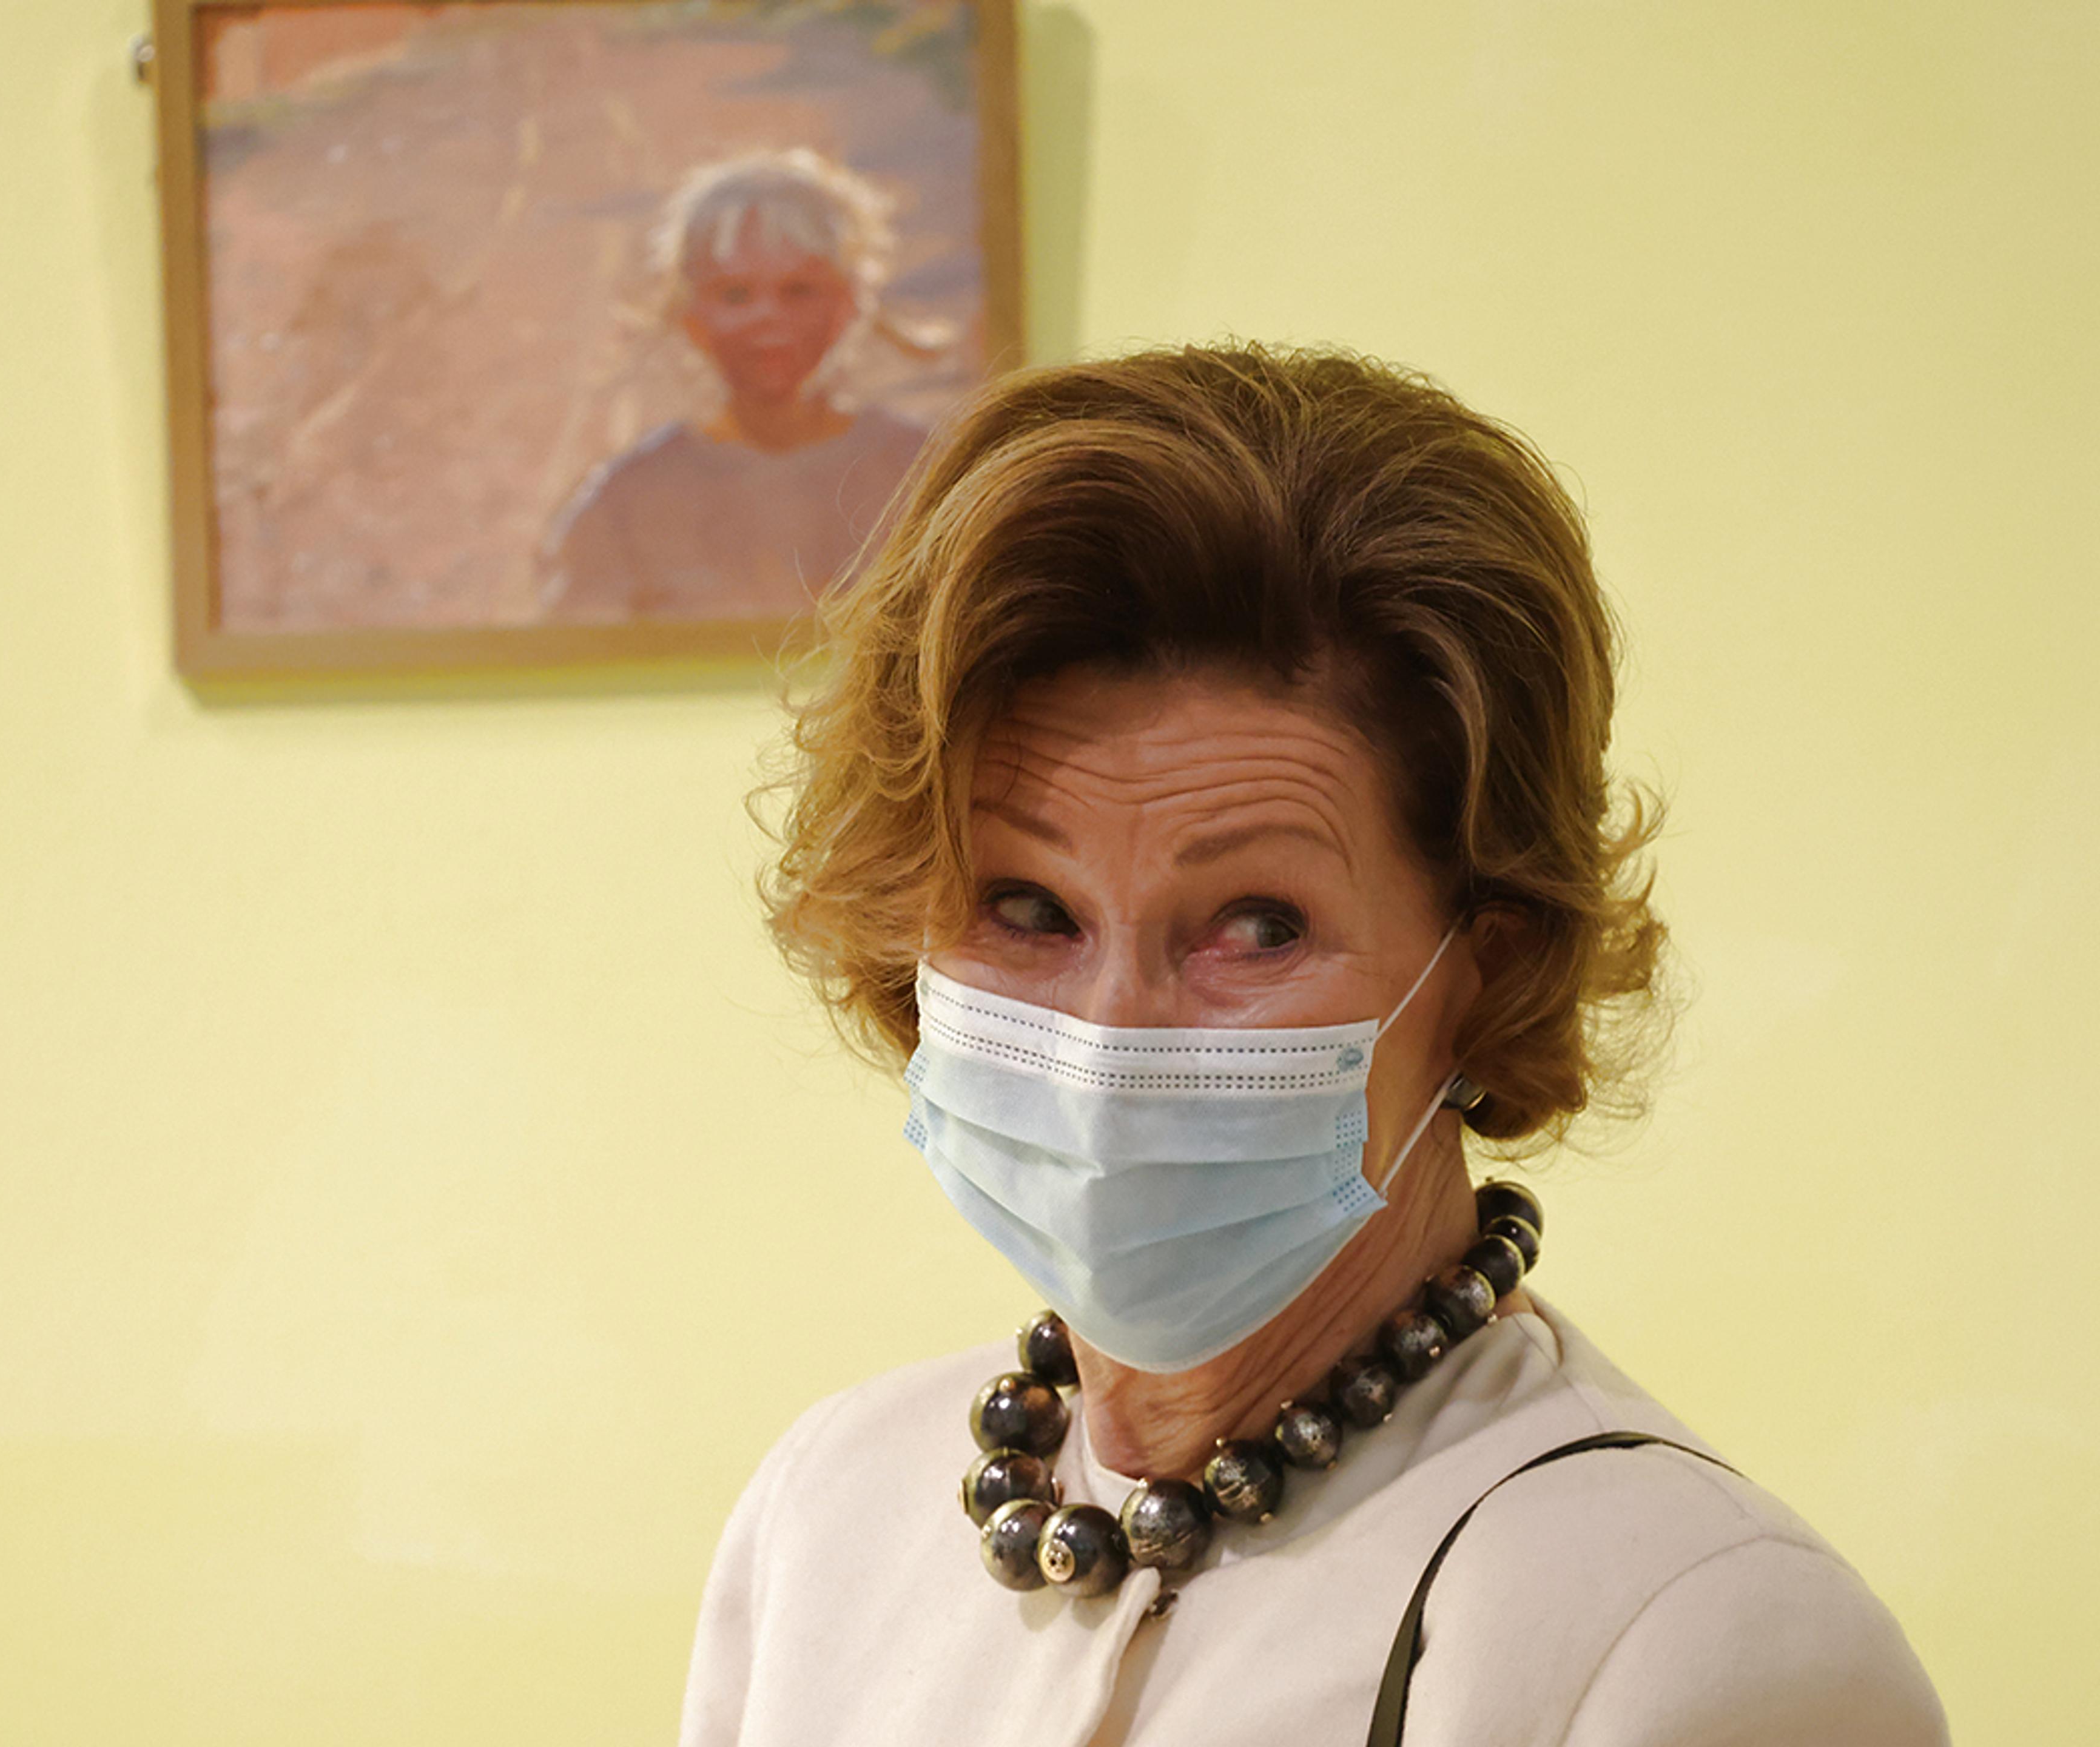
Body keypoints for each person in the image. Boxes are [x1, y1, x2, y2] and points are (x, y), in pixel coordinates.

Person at [679, 345, 1948, 1744]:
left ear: (1490, 959)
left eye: (1257, 925)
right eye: (1027, 908)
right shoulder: (827, 1519)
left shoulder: (1689, 1636)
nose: (1107, 1041)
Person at [538, 148, 929, 624]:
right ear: (689, 315)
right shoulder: (624, 506)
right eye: (735, 294)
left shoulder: (922, 477)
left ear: (847, 305)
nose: (768, 317)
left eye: (798, 290)